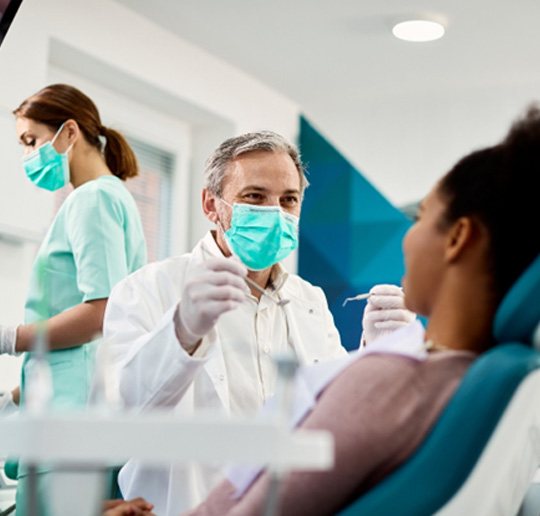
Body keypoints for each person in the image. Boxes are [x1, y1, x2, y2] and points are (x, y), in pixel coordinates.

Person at [179, 106, 540, 515]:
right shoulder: (487, 376)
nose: (406, 238)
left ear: (458, 238)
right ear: (212, 205)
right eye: (255, 197)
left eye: (421, 217)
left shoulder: (389, 382)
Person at [103, 130, 414, 515]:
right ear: (211, 205)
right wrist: (182, 331)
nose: (275, 212)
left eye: (288, 200)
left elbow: (333, 417)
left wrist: (376, 352)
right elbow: (119, 414)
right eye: (254, 197)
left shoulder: (309, 301)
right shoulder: (149, 288)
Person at [0, 83, 147, 514]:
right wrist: (20, 391)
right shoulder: (114, 197)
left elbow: (102, 313)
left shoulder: (93, 198)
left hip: (71, 420)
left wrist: (10, 338)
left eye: (32, 141)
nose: (28, 154)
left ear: (68, 132)